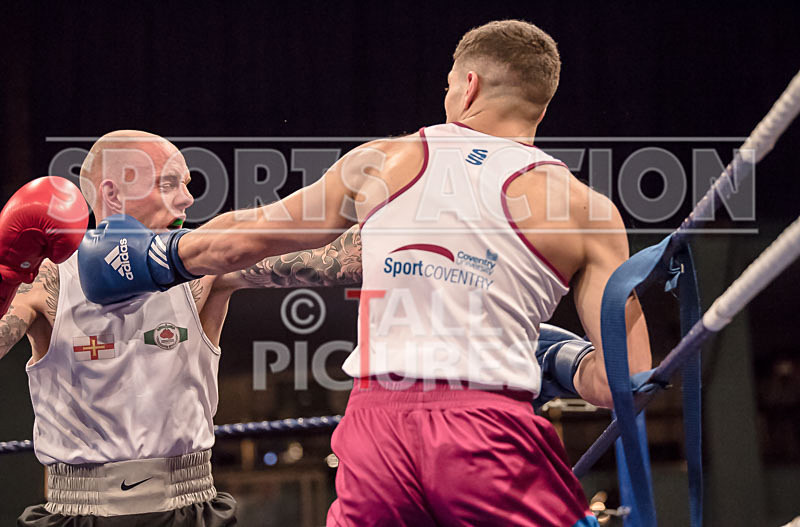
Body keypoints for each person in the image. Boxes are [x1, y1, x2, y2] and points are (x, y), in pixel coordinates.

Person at [81, 20, 651, 527]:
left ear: (469, 85)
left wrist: (147, 258)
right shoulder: (586, 211)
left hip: (375, 428)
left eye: (450, 81)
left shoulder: (384, 159)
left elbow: (246, 239)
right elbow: (626, 384)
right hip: (487, 429)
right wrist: (562, 360)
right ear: (540, 105)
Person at [0, 130, 363, 526]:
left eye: (186, 185)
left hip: (189, 505)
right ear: (114, 193)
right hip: (76, 510)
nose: (187, 199)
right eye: (169, 183)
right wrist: (6, 272)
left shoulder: (202, 268)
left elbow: (337, 257)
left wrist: (412, 223)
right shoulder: (47, 281)